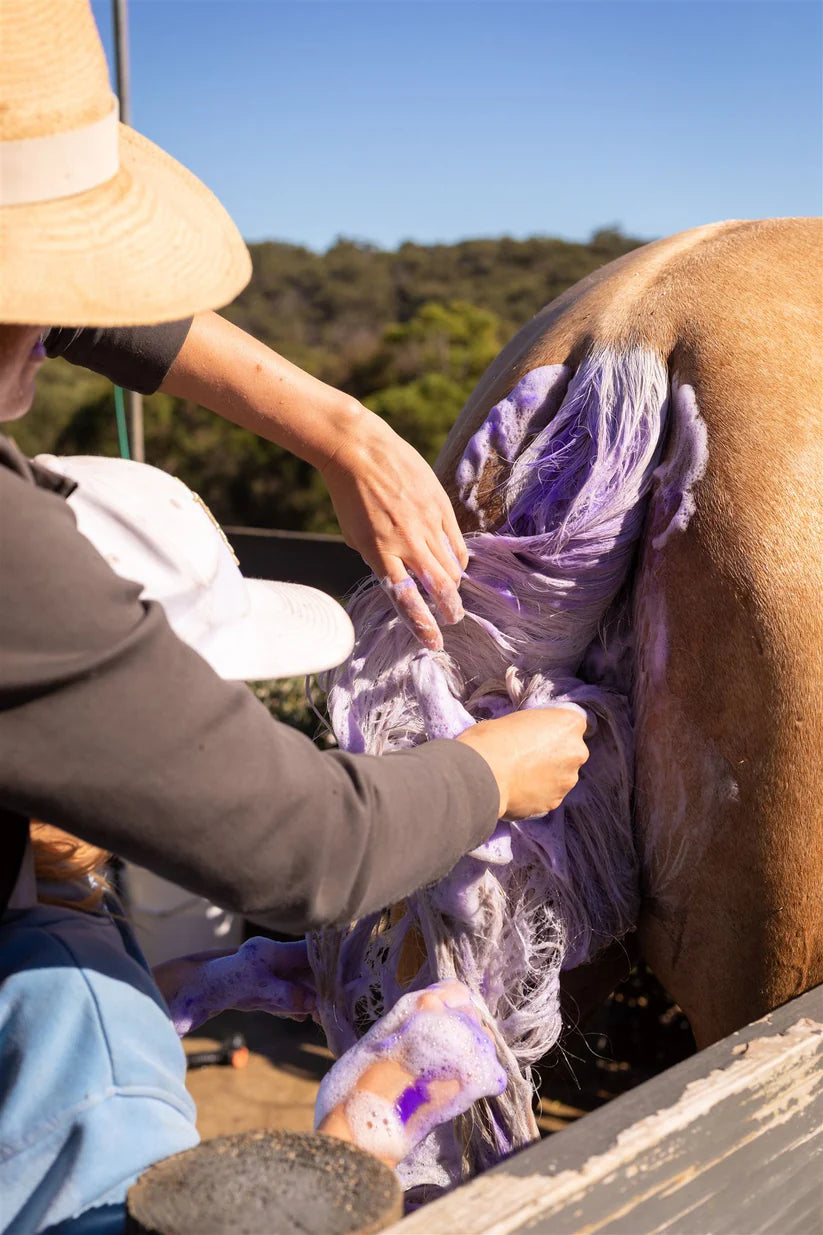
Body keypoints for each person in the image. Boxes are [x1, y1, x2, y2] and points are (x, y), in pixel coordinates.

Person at [0, 2, 588, 1228]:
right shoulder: (77, 1026)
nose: (54, 330)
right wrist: (370, 1117)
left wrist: (334, 423)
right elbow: (305, 849)